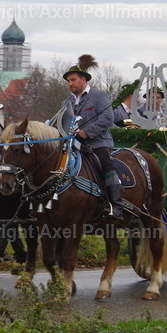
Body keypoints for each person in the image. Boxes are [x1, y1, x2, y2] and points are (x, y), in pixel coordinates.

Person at [64, 54, 124, 216]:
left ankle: (116, 206)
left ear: (83, 80)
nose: (70, 83)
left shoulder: (99, 96)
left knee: (107, 166)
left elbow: (107, 118)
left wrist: (86, 132)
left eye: (73, 80)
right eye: (68, 81)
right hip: (73, 146)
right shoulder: (66, 103)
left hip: (98, 144)